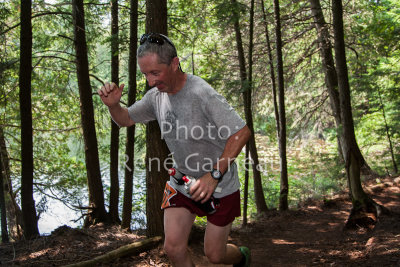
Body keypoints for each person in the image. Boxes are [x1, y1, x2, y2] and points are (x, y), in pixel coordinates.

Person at [98, 32, 251, 267]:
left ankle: (242, 256)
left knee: (215, 255)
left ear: (175, 63)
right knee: (172, 248)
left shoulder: (201, 92)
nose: (150, 81)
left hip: (220, 184)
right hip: (183, 182)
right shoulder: (155, 97)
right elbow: (125, 119)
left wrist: (214, 175)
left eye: (155, 73)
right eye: (146, 74)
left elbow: (241, 133)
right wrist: (113, 105)